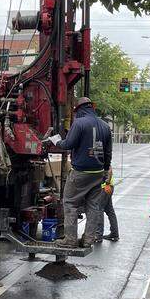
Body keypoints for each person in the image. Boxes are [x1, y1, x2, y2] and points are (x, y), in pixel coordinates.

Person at [50, 96, 113, 247]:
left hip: (80, 173)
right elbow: (108, 153)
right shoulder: (105, 126)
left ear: (78, 110)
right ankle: (88, 240)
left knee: (70, 203)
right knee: (93, 206)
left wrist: (56, 141)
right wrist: (104, 171)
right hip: (98, 173)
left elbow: (68, 144)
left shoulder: (79, 123)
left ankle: (70, 240)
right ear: (92, 107)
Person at [101, 176, 119, 241]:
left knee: (99, 210)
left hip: (104, 187)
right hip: (108, 186)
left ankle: (98, 235)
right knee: (110, 210)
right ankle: (114, 234)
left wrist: (107, 183)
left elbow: (109, 168)